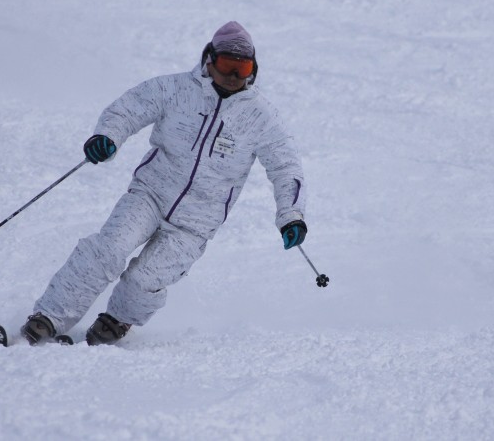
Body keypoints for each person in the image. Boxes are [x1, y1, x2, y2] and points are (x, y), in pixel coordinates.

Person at [21, 21, 308, 346]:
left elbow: (286, 168)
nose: (234, 76)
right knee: (107, 251)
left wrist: (291, 215)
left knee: (145, 279)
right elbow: (127, 110)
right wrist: (107, 136)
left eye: (243, 69)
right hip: (149, 197)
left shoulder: (261, 117)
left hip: (196, 223)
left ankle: (117, 321)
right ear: (209, 59)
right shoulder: (174, 90)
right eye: (228, 65)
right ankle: (48, 318)